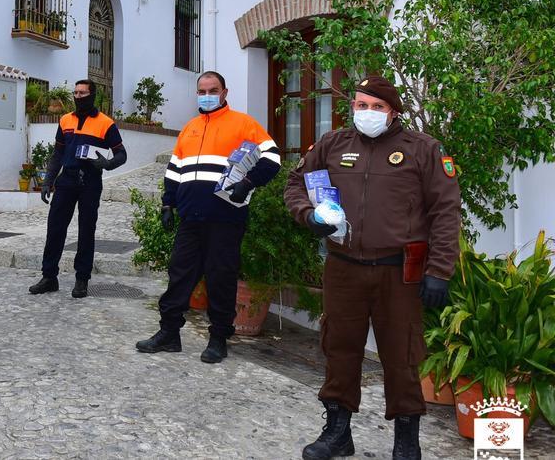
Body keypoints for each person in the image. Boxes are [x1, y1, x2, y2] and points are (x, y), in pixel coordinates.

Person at [284, 76, 460, 460]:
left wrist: (439, 270)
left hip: (398, 272)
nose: (367, 113)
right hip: (343, 266)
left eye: (376, 107)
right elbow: (296, 183)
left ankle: (406, 440)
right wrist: (308, 214)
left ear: (393, 111)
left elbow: (446, 212)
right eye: (361, 105)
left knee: (402, 354)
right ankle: (337, 432)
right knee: (340, 348)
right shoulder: (333, 144)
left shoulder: (423, 149)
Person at [136, 71, 281, 363]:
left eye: (212, 90)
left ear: (224, 92)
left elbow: (273, 158)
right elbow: (174, 171)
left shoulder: (244, 123)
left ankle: (218, 338)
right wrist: (167, 205)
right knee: (179, 275)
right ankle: (169, 333)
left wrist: (248, 183)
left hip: (226, 217)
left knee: (221, 277)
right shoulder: (189, 128)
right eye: (202, 91)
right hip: (190, 217)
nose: (207, 95)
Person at [28, 79, 127, 299]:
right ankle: (49, 277)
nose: (78, 96)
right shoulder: (65, 120)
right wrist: (48, 181)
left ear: (92, 95)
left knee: (86, 231)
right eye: (75, 92)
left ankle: (82, 279)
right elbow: (58, 154)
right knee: (55, 228)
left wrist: (107, 164)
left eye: (82, 93)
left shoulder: (105, 123)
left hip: (90, 183)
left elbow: (122, 154)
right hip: (67, 181)